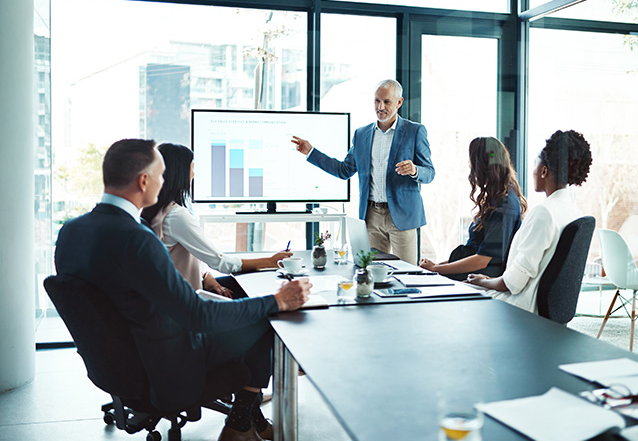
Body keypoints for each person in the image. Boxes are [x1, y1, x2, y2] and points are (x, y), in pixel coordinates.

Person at [54, 139, 311, 441]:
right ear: (144, 180)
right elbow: (197, 316)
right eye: (160, 175)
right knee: (265, 320)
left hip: (120, 362)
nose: (164, 182)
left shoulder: (70, 232)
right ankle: (238, 426)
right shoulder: (138, 239)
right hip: (169, 364)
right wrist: (277, 300)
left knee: (246, 312)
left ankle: (243, 420)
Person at [291, 79, 435, 264]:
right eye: (377, 101)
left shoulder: (414, 131)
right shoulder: (361, 134)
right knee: (372, 273)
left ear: (399, 102)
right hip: (371, 216)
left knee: (406, 273)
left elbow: (429, 172)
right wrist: (311, 152)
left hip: (402, 216)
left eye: (387, 102)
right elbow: (344, 170)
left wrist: (415, 170)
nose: (380, 107)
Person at [141, 143, 292, 298]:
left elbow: (175, 260)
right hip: (186, 303)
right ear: (180, 172)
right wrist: (270, 261)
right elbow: (221, 263)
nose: (194, 174)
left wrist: (206, 276)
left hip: (171, 295)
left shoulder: (156, 211)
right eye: (192, 168)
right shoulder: (176, 216)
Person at [467, 130, 592, 313]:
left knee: (455, 295)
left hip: (519, 308)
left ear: (544, 170)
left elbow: (513, 283)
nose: (533, 170)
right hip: (539, 310)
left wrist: (483, 281)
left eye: (535, 163)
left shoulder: (544, 213)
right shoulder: (574, 212)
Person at [418, 137, 526, 282]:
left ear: (482, 166)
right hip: (471, 274)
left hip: (479, 278)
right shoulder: (496, 199)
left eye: (472, 161)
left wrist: (437, 269)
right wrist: (435, 266)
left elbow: (482, 259)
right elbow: (474, 251)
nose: (469, 166)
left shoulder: (505, 205)